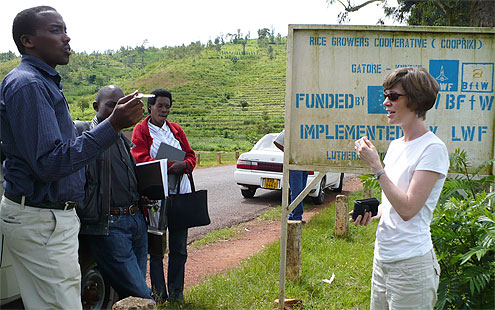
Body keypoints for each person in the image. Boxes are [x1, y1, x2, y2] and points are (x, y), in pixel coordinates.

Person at [0, 7, 143, 310]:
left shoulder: (43, 83)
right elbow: (49, 163)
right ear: (28, 40)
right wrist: (113, 125)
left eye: (64, 29)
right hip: (43, 218)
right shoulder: (29, 85)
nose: (66, 38)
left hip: (47, 217)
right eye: (55, 30)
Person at [353, 67, 449, 309]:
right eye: (385, 95)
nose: (386, 102)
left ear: (416, 101)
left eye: (393, 96)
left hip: (411, 266)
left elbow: (408, 209)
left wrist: (376, 166)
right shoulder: (396, 146)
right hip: (382, 259)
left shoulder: (433, 149)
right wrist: (375, 213)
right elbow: (394, 206)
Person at [76, 85, 151, 300]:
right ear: (95, 106)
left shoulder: (121, 138)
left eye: (122, 104)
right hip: (109, 225)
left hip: (135, 221)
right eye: (111, 105)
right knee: (140, 294)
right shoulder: (84, 134)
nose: (119, 109)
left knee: (130, 293)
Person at [131, 88, 196, 302]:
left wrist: (185, 164)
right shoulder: (141, 130)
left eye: (167, 106)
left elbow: (190, 155)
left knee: (179, 248)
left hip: (180, 195)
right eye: (160, 105)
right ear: (150, 107)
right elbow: (139, 158)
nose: (164, 110)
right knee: (157, 250)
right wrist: (170, 166)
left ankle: (177, 294)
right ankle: (160, 295)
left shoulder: (176, 129)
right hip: (156, 199)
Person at [273, 130, 308, 221]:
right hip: (294, 165)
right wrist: (289, 153)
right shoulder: (292, 126)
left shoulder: (308, 127)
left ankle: (294, 216)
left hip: (305, 164)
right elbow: (277, 141)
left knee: (301, 192)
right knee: (297, 192)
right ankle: (296, 218)